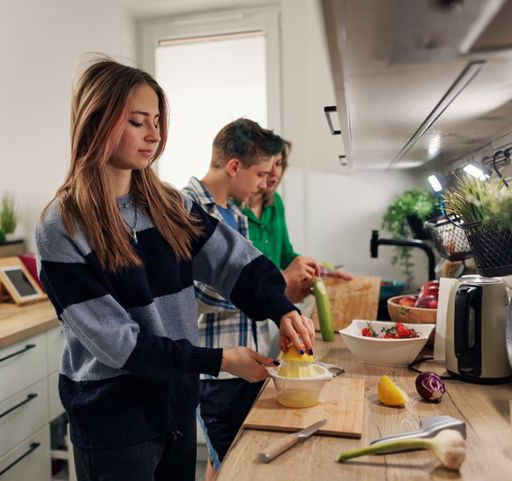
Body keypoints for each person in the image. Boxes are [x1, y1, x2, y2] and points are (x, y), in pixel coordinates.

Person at [35, 59, 315, 481]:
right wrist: (218, 360)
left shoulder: (170, 207)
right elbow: (120, 346)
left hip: (177, 407)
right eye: (137, 121)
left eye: (158, 121)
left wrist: (281, 308)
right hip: (115, 422)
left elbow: (232, 260)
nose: (155, 135)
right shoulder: (63, 226)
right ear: (98, 122)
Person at [183, 120, 321, 480]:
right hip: (217, 370)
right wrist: (279, 285)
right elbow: (195, 291)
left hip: (252, 362)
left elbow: (251, 283)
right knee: (234, 466)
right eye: (261, 173)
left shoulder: (238, 215)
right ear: (234, 167)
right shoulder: (187, 208)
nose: (265, 183)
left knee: (235, 463)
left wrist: (279, 307)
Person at [243, 139, 353, 287]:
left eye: (279, 163)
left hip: (270, 299)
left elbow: (284, 255)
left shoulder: (276, 202)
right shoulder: (233, 209)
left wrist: (321, 270)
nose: (274, 173)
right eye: (270, 164)